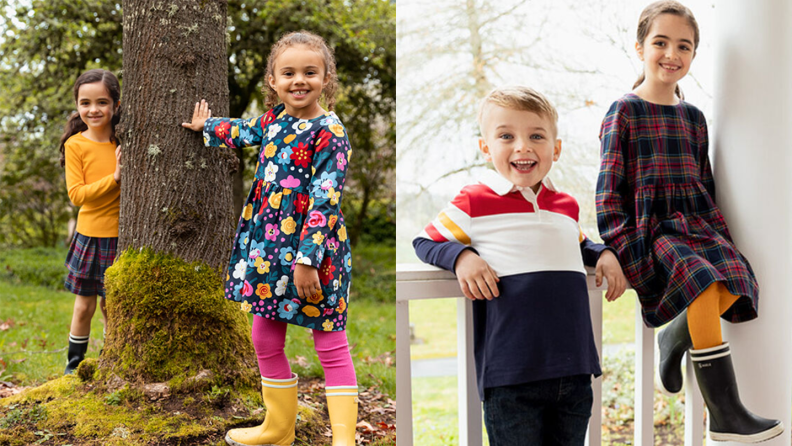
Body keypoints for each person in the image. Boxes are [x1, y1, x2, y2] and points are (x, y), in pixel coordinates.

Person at [595, 1, 783, 442]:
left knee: (737, 277)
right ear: (640, 46)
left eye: (684, 46)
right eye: (660, 42)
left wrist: (719, 235)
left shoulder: (694, 118)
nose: (671, 54)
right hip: (652, 231)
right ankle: (725, 413)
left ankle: (674, 334)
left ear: (694, 55)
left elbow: (705, 185)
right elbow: (608, 194)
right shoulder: (623, 111)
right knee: (699, 280)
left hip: (696, 225)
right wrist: (623, 248)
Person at [414, 86, 627, 446]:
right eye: (506, 136)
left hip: (574, 370)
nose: (522, 147)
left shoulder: (565, 205)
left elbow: (578, 243)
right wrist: (462, 257)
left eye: (536, 136)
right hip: (511, 376)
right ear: (486, 148)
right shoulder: (474, 200)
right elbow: (425, 241)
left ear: (555, 149)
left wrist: (604, 253)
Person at [182, 31, 357, 446]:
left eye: (310, 72)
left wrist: (307, 260)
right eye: (289, 73)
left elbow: (325, 197)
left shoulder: (330, 132)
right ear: (273, 81)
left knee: (330, 341)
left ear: (326, 78)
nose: (300, 81)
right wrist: (210, 126)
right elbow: (244, 131)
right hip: (267, 251)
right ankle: (278, 428)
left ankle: (344, 439)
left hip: (314, 253)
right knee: (263, 337)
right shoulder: (275, 119)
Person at [59, 69, 123, 374]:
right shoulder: (75, 146)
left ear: (116, 104)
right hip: (89, 237)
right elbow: (77, 195)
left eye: (101, 102)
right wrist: (114, 179)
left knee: (113, 308)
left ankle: (112, 361)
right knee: (84, 306)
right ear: (77, 105)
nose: (93, 109)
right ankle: (74, 366)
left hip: (122, 239)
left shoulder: (124, 142)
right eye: (85, 103)